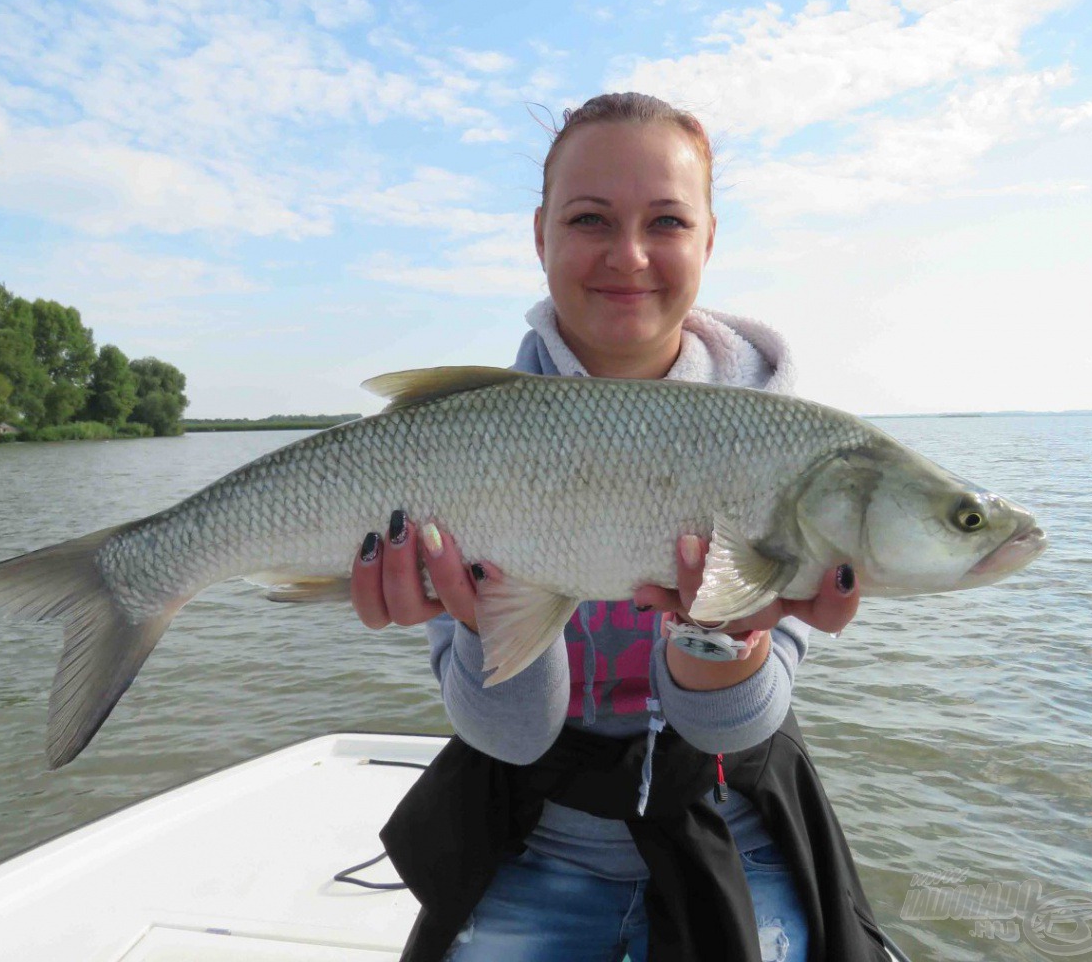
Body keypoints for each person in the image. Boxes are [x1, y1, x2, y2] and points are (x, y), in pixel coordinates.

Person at [351, 93, 891, 962]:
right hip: (529, 837)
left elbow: (732, 729)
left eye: (667, 221)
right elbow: (513, 736)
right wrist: (482, 618)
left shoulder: (789, 446)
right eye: (590, 218)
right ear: (540, 234)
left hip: (734, 831)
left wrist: (721, 637)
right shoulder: (458, 440)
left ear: (709, 238)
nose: (629, 255)